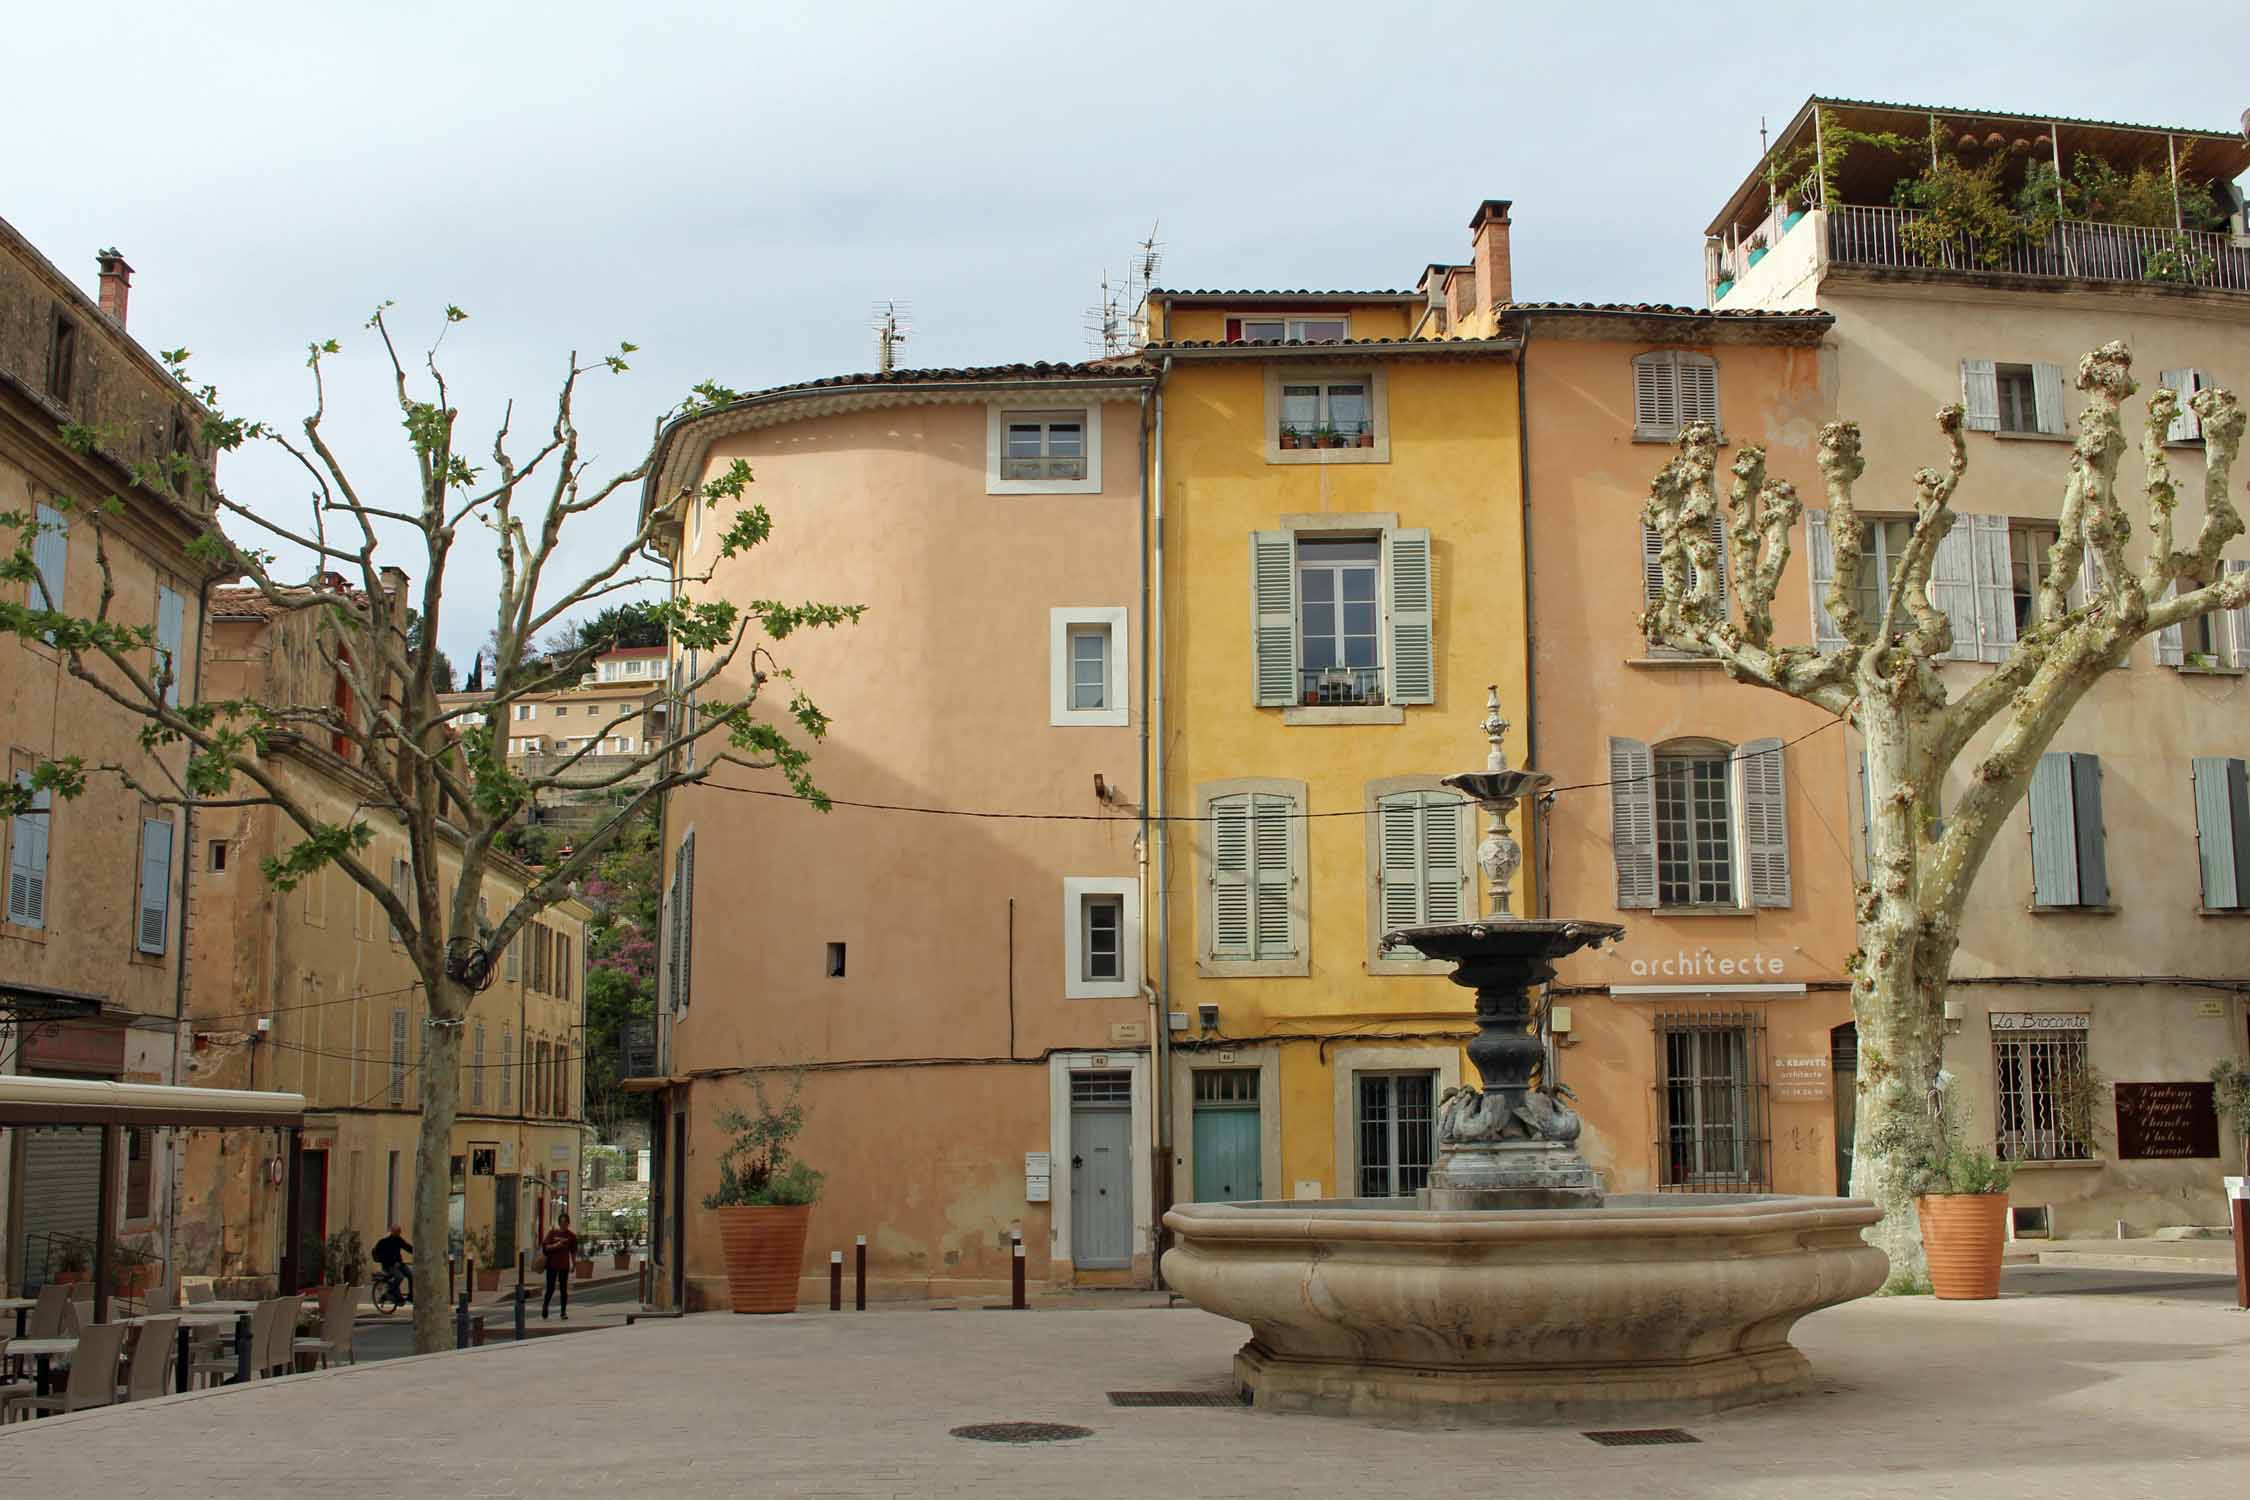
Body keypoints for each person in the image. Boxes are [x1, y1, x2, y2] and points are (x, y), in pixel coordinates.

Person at [540, 1212, 580, 1320]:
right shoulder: (553, 1233)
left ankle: (563, 1312)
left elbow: (573, 1251)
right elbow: (545, 1247)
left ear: (568, 1223)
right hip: (552, 1264)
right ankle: (545, 1306)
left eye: (565, 1222)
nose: (563, 1224)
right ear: (559, 1223)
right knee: (550, 1288)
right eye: (561, 1222)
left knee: (563, 1289)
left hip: (564, 1265)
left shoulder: (571, 1236)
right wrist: (555, 1245)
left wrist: (574, 1264)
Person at [371, 1224, 414, 1302]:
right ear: (392, 1231)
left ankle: (411, 1296)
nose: (399, 1233)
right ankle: (389, 1292)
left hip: (399, 1264)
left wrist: (417, 1252)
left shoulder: (398, 1240)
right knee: (399, 1277)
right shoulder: (384, 1242)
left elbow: (407, 1247)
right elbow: (382, 1256)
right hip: (388, 1266)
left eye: (399, 1231)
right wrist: (393, 1262)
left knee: (411, 1275)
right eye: (397, 1231)